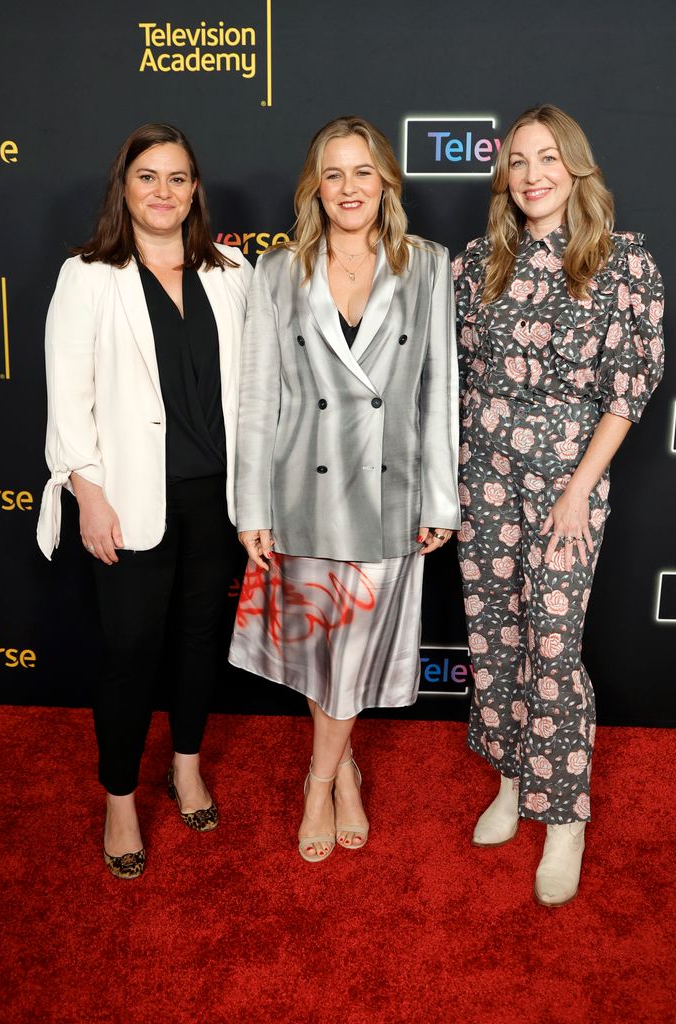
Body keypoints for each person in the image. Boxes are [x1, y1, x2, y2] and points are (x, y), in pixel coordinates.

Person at [229, 115, 460, 862]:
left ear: (386, 181)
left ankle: (320, 779)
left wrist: (441, 499)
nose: (349, 188)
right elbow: (260, 399)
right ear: (315, 188)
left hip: (389, 495)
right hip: (301, 490)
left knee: (357, 648)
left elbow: (437, 390)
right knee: (324, 649)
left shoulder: (428, 265)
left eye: (363, 172)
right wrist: (252, 509)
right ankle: (344, 767)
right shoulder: (278, 271)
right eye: (334, 174)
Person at [453, 105, 664, 906]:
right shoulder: (479, 264)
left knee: (552, 643)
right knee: (494, 635)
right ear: (504, 176)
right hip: (484, 479)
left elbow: (628, 390)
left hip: (566, 488)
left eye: (548, 159)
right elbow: (457, 378)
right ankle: (511, 778)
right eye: (517, 161)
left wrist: (579, 489)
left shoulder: (621, 263)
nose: (533, 174)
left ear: (576, 167)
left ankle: (564, 813)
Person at [37, 123, 253, 879]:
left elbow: (254, 393)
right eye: (148, 177)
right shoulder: (89, 274)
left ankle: (186, 767)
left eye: (179, 178)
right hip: (127, 500)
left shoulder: (232, 270)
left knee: (200, 642)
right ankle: (121, 798)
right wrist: (86, 493)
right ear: (123, 188)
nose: (164, 192)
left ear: (196, 190)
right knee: (130, 654)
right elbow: (68, 400)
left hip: (214, 500)